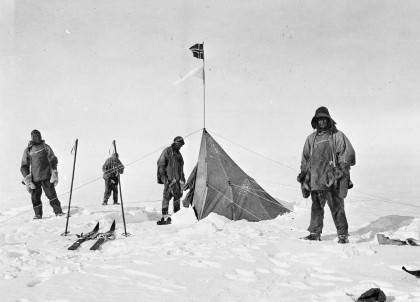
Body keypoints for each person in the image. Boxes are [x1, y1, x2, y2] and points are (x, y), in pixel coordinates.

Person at [298, 107, 356, 244]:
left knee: (337, 207)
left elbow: (347, 155)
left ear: (329, 120)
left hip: (332, 179)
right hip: (316, 178)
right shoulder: (310, 139)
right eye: (319, 119)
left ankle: (343, 235)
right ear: (315, 122)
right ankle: (314, 233)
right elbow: (305, 159)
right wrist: (304, 175)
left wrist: (342, 171)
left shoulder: (338, 135)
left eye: (324, 118)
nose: (322, 121)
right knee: (316, 207)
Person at [20, 129, 64, 219]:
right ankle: (38, 214)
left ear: (40, 136)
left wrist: (54, 172)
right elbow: (24, 165)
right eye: (34, 136)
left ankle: (58, 211)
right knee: (35, 198)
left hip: (47, 176)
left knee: (51, 195)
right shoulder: (28, 150)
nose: (36, 137)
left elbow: (53, 159)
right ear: (32, 137)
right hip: (34, 179)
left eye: (38, 135)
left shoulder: (45, 147)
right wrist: (27, 178)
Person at [157, 136, 186, 221]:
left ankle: (176, 216)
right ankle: (164, 215)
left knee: (177, 197)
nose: (181, 147)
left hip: (178, 181)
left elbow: (181, 169)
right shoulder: (167, 151)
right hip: (169, 180)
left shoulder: (179, 155)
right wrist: (163, 177)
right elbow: (161, 164)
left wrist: (182, 180)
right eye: (180, 144)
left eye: (182, 145)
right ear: (176, 143)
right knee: (166, 196)